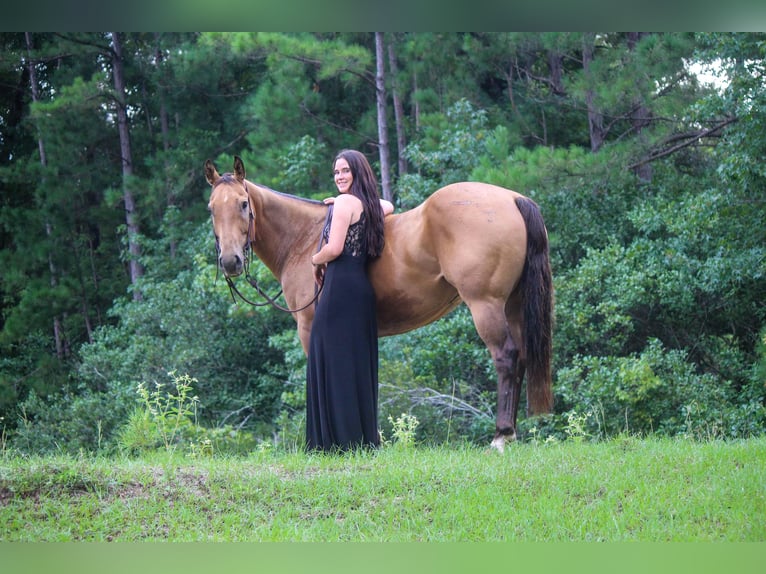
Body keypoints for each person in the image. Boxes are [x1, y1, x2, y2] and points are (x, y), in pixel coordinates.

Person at [305, 149, 394, 452]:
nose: (339, 177)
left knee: (327, 358)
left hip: (339, 290)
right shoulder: (367, 204)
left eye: (345, 171)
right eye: (336, 172)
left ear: (357, 172)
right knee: (353, 365)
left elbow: (333, 249)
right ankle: (359, 442)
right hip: (361, 292)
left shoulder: (345, 203)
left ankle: (331, 443)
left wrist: (314, 261)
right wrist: (340, 203)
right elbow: (388, 204)